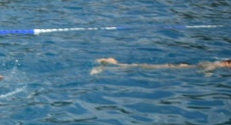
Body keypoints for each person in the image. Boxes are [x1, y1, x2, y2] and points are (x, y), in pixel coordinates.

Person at [91, 57, 231, 75]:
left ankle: (114, 63)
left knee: (142, 65)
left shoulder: (218, 62)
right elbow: (209, 67)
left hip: (178, 65)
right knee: (141, 66)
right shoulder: (217, 64)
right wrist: (209, 74)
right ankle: (112, 63)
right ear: (227, 63)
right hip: (175, 67)